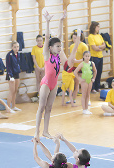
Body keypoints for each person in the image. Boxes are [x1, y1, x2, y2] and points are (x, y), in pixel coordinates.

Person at [35, 10, 66, 140]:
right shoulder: (47, 55)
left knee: (49, 108)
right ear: (51, 47)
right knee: (41, 107)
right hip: (47, 83)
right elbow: (48, 38)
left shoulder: (58, 55)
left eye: (60, 46)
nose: (60, 48)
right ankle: (37, 132)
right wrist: (47, 22)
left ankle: (45, 131)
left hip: (54, 84)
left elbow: (59, 36)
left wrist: (61, 21)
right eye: (57, 46)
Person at [61, 29, 82, 107]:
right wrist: (79, 34)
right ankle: (67, 103)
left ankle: (71, 103)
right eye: (73, 38)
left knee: (69, 89)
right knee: (66, 89)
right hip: (67, 72)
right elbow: (76, 45)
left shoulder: (72, 59)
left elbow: (77, 60)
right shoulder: (73, 51)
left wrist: (83, 60)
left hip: (68, 71)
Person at [70, 30, 88, 101]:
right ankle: (73, 98)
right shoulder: (72, 46)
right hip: (73, 67)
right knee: (74, 83)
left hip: (81, 66)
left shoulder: (84, 46)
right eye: (73, 38)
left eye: (75, 38)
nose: (73, 39)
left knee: (79, 83)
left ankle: (86, 98)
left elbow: (86, 58)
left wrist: (77, 61)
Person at [88, 21, 106, 93]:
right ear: (94, 27)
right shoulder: (90, 36)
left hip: (100, 56)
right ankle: (93, 87)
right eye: (97, 26)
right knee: (93, 73)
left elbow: (104, 45)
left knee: (99, 72)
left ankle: (98, 86)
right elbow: (94, 48)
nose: (99, 28)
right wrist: (100, 47)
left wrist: (99, 47)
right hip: (94, 57)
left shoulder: (99, 36)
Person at [6, 41, 21, 111]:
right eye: (15, 47)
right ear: (12, 47)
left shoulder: (18, 54)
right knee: (11, 91)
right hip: (11, 75)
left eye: (17, 47)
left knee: (15, 91)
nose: (16, 48)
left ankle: (13, 106)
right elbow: (8, 66)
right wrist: (10, 76)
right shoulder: (9, 55)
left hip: (16, 74)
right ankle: (8, 108)